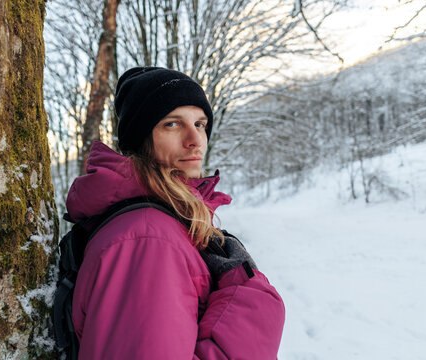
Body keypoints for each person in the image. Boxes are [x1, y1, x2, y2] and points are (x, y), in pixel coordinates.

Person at [66, 67, 285, 359]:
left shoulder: (161, 224)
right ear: (142, 139)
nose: (195, 139)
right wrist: (250, 315)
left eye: (200, 123)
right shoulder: (146, 238)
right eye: (172, 124)